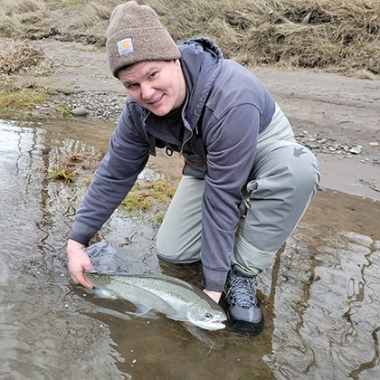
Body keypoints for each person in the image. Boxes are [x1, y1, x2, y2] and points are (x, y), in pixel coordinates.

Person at [67, 1, 320, 336]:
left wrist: (212, 290)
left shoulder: (231, 94)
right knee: (173, 251)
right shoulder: (137, 112)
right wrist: (77, 241)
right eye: (132, 85)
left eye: (152, 75)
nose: (146, 92)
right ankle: (238, 227)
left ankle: (242, 273)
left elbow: (221, 194)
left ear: (175, 59)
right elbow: (115, 173)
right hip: (208, 163)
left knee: (295, 171)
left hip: (263, 149)